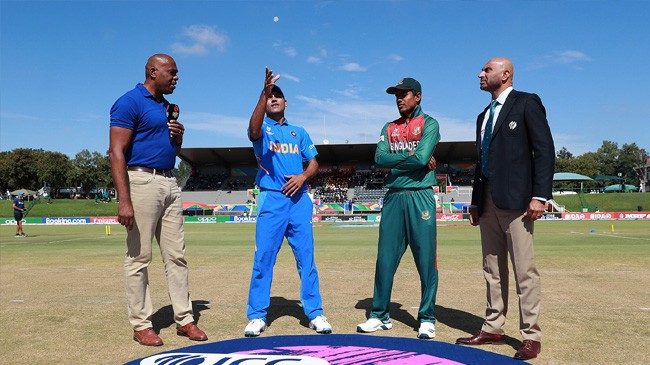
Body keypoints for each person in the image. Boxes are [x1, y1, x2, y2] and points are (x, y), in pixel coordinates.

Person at [455, 58, 555, 361]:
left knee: (524, 271)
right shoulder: (483, 115)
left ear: (505, 74)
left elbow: (544, 149)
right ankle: (494, 327)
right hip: (487, 203)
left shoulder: (526, 103)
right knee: (492, 270)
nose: (480, 74)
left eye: (486, 70)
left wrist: (540, 195)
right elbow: (481, 164)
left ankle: (530, 335)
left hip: (518, 203)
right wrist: (475, 200)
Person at [109, 54, 207, 346]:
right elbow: (116, 152)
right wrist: (124, 200)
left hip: (168, 181)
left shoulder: (167, 107)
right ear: (153, 71)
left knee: (176, 256)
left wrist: (178, 139)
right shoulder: (129, 101)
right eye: (172, 72)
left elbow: (172, 152)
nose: (176, 77)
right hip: (140, 181)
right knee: (139, 257)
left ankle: (185, 320)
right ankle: (141, 325)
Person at [243, 67, 332, 337]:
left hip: (299, 200)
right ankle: (257, 315)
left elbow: (315, 162)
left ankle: (315, 313)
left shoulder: (299, 132)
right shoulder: (263, 129)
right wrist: (263, 91)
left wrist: (303, 176)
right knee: (264, 258)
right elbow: (252, 129)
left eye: (278, 96)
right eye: (270, 96)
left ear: (286, 103)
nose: (274, 99)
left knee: (306, 258)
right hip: (272, 199)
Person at [357, 78, 440, 339]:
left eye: (404, 94)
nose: (399, 99)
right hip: (394, 197)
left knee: (426, 260)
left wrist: (404, 162)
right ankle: (379, 315)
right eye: (396, 95)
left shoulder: (430, 123)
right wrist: (411, 160)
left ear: (418, 97)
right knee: (385, 259)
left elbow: (423, 157)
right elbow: (380, 159)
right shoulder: (388, 127)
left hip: (420, 196)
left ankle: (427, 317)